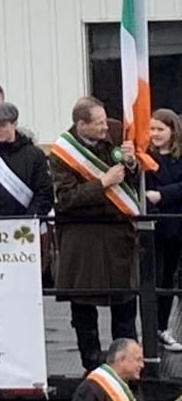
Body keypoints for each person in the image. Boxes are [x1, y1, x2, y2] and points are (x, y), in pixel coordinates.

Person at [51, 96, 139, 372]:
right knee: (83, 308)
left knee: (125, 305)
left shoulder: (117, 132)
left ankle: (127, 364)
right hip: (83, 239)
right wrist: (102, 183)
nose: (105, 127)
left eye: (104, 120)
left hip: (117, 234)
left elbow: (134, 180)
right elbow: (66, 199)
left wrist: (132, 164)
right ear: (81, 125)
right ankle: (91, 365)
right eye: (98, 123)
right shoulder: (63, 153)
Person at [145, 108, 182, 351]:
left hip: (176, 225)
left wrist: (162, 194)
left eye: (160, 129)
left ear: (172, 131)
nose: (155, 134)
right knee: (154, 280)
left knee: (169, 279)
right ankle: (151, 330)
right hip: (154, 227)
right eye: (152, 129)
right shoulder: (146, 158)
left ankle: (163, 327)